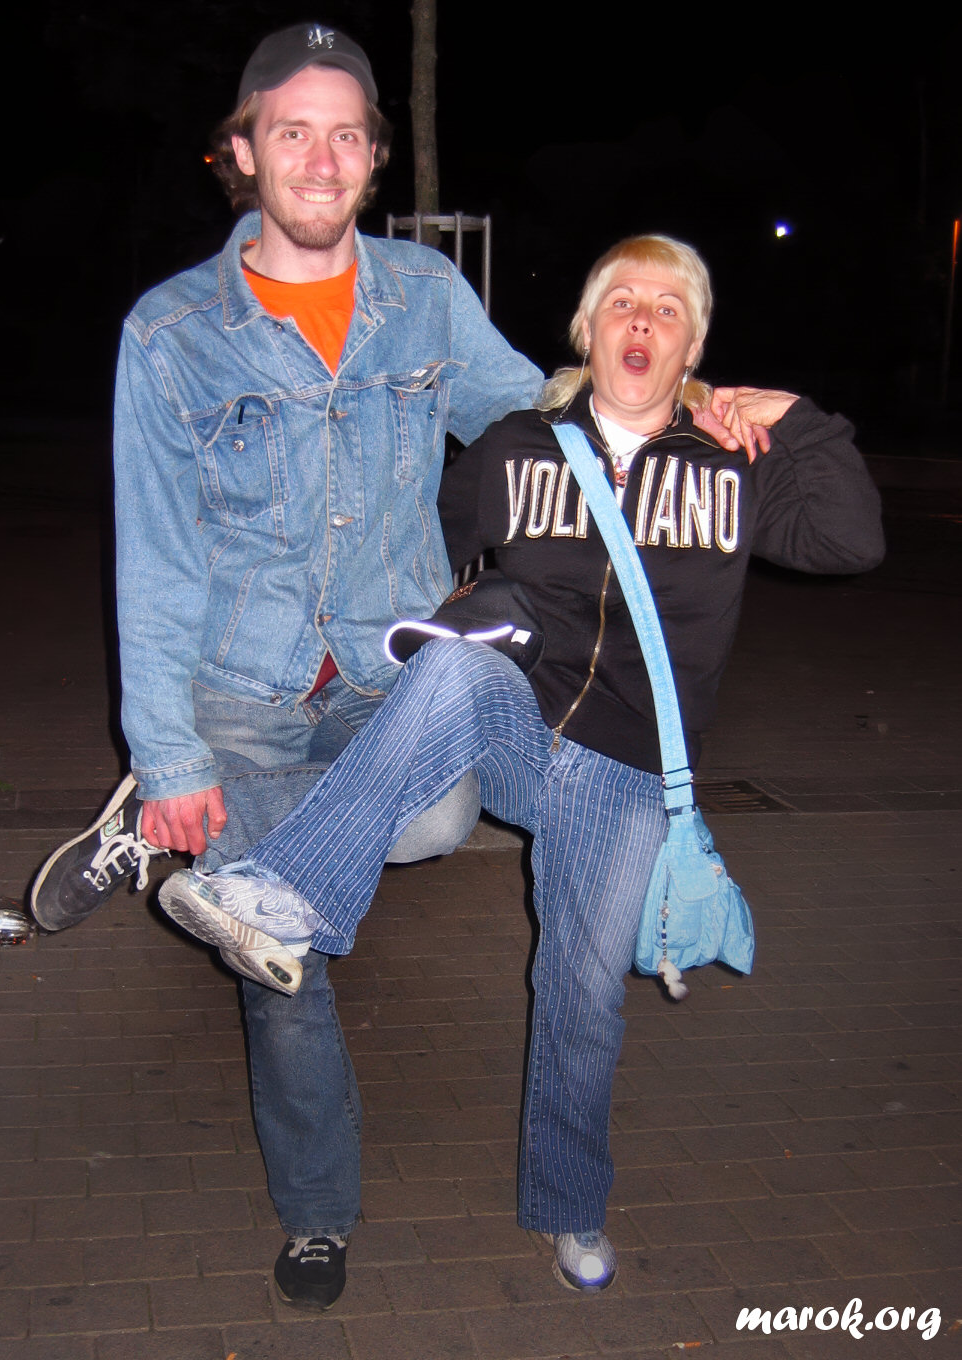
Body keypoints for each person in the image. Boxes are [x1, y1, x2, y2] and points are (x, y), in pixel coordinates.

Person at [156, 233, 886, 1295]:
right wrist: (284, 633)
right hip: (515, 726)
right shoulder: (518, 447)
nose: (642, 321)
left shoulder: (730, 467)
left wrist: (797, 416)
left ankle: (569, 1205)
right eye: (622, 301)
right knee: (455, 668)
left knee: (581, 994)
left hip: (628, 770)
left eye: (669, 308)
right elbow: (407, 551)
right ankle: (290, 895)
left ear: (692, 347)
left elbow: (852, 541)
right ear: (588, 329)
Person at [29, 21, 545, 1311]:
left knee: (435, 819)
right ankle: (319, 1211)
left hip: (384, 666)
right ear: (245, 152)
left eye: (347, 134)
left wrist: (674, 402)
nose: (321, 159)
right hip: (239, 689)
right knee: (282, 956)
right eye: (293, 132)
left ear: (373, 157)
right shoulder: (171, 334)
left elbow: (532, 414)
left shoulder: (424, 297)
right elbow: (153, 561)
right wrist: (170, 756)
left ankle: (225, 863)